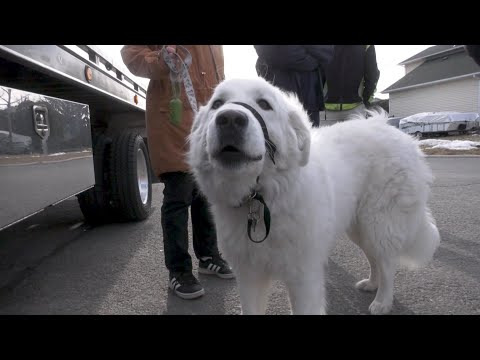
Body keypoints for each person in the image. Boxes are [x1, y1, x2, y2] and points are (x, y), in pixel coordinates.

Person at [121, 45, 234, 300]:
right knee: (179, 194)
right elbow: (132, 55)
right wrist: (163, 59)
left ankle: (208, 256)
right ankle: (179, 271)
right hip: (173, 121)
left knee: (206, 195)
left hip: (207, 122)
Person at [254, 45, 334, 127]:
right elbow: (277, 52)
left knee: (310, 134)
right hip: (281, 92)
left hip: (310, 94)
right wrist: (309, 60)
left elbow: (327, 50)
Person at [321, 45, 380, 126]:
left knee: (327, 139)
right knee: (358, 139)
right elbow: (372, 75)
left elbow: (316, 74)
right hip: (355, 110)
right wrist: (366, 100)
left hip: (328, 111)